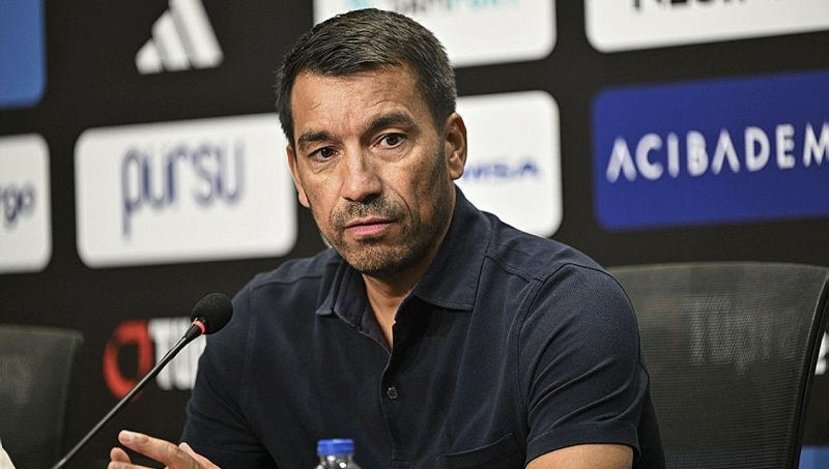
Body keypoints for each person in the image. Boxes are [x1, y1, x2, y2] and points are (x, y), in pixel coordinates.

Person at [109, 8, 664, 469]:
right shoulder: (254, 327)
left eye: (389, 140)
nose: (357, 185)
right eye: (323, 153)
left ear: (452, 146)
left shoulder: (567, 308)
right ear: (297, 175)